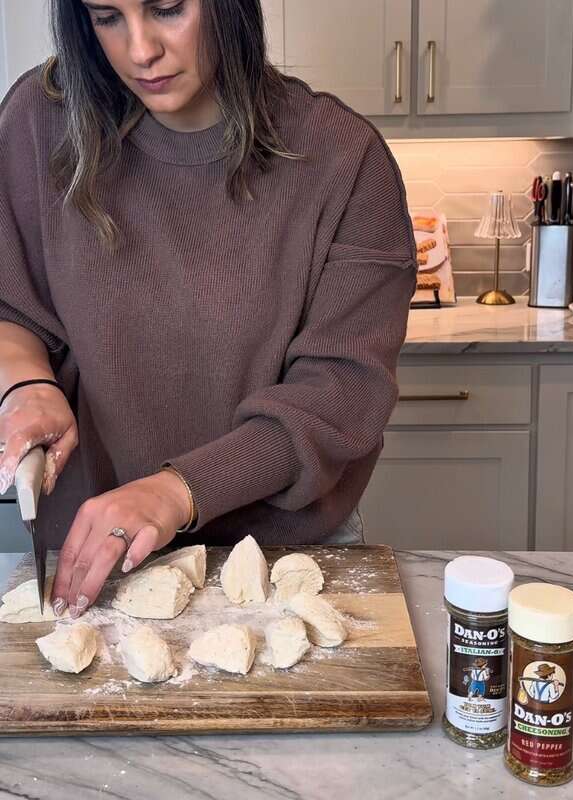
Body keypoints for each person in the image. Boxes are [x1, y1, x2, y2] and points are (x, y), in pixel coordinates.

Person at [0, 0, 416, 618]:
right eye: (105, 16)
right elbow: (15, 305)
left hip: (280, 562)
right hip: (94, 557)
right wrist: (25, 384)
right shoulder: (40, 120)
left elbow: (342, 395)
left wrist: (177, 491)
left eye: (167, 9)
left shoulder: (345, 160)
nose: (140, 50)